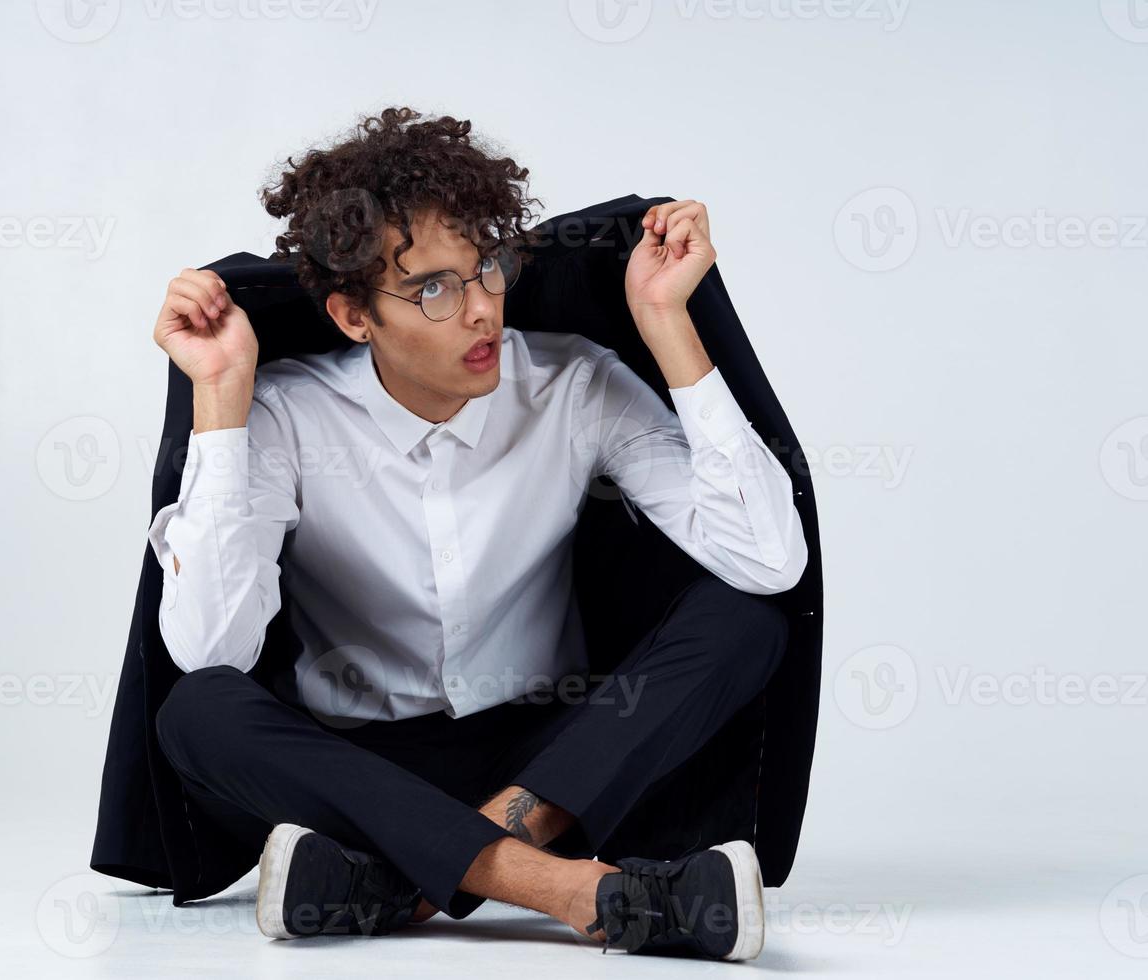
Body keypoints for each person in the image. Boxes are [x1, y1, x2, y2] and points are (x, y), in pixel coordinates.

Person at [147, 107, 807, 961]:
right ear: (354, 316)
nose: (481, 310)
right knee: (197, 709)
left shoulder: (573, 385)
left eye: (487, 268)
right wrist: (221, 401)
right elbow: (210, 649)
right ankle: (586, 892)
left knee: (746, 620)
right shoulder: (288, 415)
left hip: (555, 761)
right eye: (433, 287)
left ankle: (394, 884)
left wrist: (667, 324)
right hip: (356, 769)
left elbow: (769, 558)